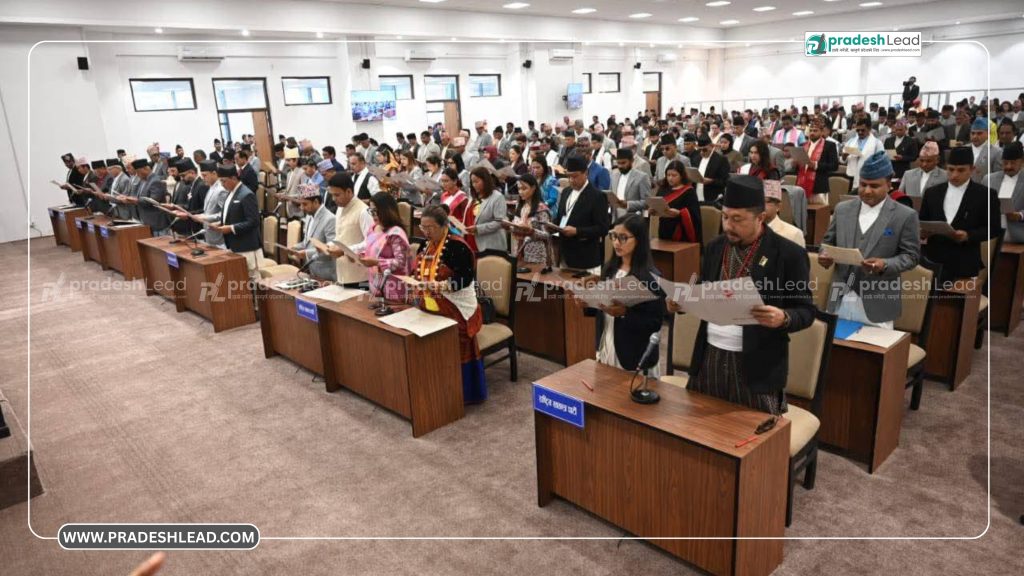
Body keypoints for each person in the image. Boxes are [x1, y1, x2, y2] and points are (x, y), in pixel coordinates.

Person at [680, 175, 815, 415]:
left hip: (756, 366)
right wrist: (683, 301)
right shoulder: (715, 247)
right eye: (725, 217)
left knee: (755, 434)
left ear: (760, 218)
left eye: (737, 219)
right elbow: (704, 289)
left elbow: (806, 311)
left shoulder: (787, 254)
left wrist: (783, 317)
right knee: (701, 429)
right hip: (709, 357)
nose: (728, 226)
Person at [819, 152, 920, 327]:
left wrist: (885, 264)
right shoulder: (842, 209)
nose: (866, 191)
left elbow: (911, 257)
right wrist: (824, 255)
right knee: (834, 343)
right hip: (839, 297)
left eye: (874, 186)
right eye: (863, 184)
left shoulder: (905, 215)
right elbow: (827, 243)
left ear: (889, 184)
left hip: (878, 302)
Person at [412, 206, 486, 404]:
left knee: (453, 336)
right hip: (431, 302)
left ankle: (462, 392)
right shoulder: (425, 245)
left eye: (431, 228)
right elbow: (417, 271)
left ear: (444, 226)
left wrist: (441, 285)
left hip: (457, 305)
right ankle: (434, 385)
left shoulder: (458, 246)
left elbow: (465, 278)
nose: (426, 232)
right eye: (423, 227)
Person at [586, 215, 666, 374]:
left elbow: (655, 323)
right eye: (613, 236)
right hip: (607, 343)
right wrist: (587, 302)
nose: (616, 242)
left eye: (623, 238)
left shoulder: (650, 277)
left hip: (633, 353)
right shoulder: (609, 269)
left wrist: (625, 314)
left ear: (639, 240)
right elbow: (601, 308)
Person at [919, 146, 1001, 282]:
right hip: (933, 261)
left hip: (964, 261)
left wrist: (968, 235)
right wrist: (923, 232)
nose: (955, 175)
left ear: (972, 169)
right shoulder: (932, 193)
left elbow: (993, 228)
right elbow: (923, 221)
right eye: (951, 169)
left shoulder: (985, 195)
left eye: (961, 170)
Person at [555, 155, 611, 272]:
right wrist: (550, 226)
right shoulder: (566, 192)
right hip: (564, 255)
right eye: (569, 176)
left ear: (586, 173)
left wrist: (577, 231)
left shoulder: (597, 196)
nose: (571, 180)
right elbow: (561, 218)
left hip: (586, 257)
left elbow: (603, 228)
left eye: (575, 176)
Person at [319, 173, 373, 287]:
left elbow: (371, 243)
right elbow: (341, 236)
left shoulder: (363, 211)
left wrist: (344, 251)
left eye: (337, 195)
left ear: (349, 191)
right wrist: (328, 246)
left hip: (360, 276)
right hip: (342, 273)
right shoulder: (340, 208)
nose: (333, 199)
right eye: (332, 195)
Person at [358, 192, 412, 300]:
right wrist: (361, 256)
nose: (373, 215)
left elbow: (401, 262)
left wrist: (376, 262)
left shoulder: (396, 233)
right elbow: (371, 249)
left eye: (375, 211)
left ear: (386, 210)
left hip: (393, 288)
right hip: (375, 284)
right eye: (371, 211)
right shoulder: (373, 228)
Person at [288, 183, 337, 281]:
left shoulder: (330, 219)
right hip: (312, 272)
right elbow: (306, 243)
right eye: (301, 204)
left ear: (315, 202)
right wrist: (295, 248)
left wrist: (306, 253)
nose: (302, 208)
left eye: (305, 204)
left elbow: (331, 250)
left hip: (326, 275)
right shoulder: (309, 216)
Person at [505, 173, 552, 264]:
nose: (520, 192)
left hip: (536, 253)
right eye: (519, 189)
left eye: (524, 189)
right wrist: (508, 227)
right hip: (518, 250)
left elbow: (547, 235)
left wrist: (531, 231)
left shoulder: (541, 209)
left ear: (533, 188)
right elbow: (517, 227)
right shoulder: (520, 206)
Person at [656, 160, 702, 244]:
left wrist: (680, 213)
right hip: (663, 229)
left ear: (681, 176)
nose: (670, 178)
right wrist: (653, 210)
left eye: (674, 175)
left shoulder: (689, 191)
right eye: (668, 175)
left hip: (680, 232)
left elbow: (695, 215)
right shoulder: (663, 189)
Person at [462, 167, 506, 253]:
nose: (474, 185)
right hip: (470, 240)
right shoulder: (473, 196)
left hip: (488, 244)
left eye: (476, 181)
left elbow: (499, 222)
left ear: (485, 180)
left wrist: (478, 229)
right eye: (472, 182)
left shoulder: (497, 197)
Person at [796, 120, 839, 203]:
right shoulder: (804, 145)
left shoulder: (829, 145)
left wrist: (816, 165)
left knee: (819, 210)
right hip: (802, 184)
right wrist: (796, 163)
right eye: (811, 130)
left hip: (819, 186)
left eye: (815, 131)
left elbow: (834, 166)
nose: (812, 133)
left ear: (822, 132)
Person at [993, 142, 1024, 243]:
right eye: (1005, 163)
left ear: (1022, 162)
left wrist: (1020, 215)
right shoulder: (989, 179)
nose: (1008, 166)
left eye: (1013, 163)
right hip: (992, 238)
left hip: (1019, 237)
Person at [608, 148, 652, 219]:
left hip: (633, 219)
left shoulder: (642, 177)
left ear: (632, 161)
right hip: (616, 218)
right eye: (618, 163)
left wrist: (628, 204)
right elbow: (611, 195)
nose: (620, 166)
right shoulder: (614, 175)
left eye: (623, 163)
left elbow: (647, 202)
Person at [843, 117, 883, 189]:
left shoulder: (877, 143)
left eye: (863, 130)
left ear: (869, 129)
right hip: (851, 175)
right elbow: (843, 159)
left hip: (868, 176)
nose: (860, 132)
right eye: (858, 130)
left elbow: (881, 161)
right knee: (851, 195)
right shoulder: (851, 141)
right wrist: (844, 156)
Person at [763, 181, 805, 248]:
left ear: (778, 206)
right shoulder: (749, 231)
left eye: (766, 202)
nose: (760, 206)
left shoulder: (793, 234)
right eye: (758, 202)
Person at [692, 134, 730, 205]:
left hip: (712, 199)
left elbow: (725, 181)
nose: (701, 152)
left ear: (711, 146)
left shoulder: (721, 160)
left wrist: (711, 181)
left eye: (704, 150)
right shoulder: (696, 158)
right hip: (696, 198)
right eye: (699, 149)